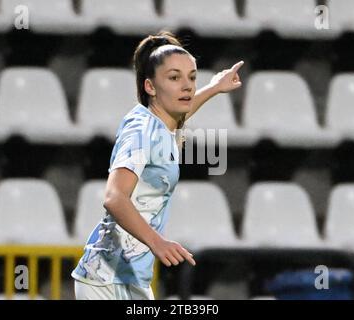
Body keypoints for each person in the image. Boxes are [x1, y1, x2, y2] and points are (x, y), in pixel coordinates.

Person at [72, 31, 244, 300]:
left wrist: (213, 87)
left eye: (192, 77)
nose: (187, 86)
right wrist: (157, 242)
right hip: (104, 281)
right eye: (175, 78)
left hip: (131, 278)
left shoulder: (161, 123)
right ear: (150, 86)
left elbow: (181, 111)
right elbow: (114, 197)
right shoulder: (141, 131)